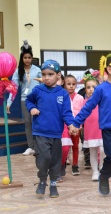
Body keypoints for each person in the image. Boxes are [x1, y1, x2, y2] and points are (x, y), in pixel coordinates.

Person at [70, 52, 111, 197]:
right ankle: (104, 176)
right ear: (109, 69)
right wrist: (76, 122)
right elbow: (88, 107)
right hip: (109, 131)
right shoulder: (101, 89)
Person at [25, 59, 75, 198]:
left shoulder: (63, 94)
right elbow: (29, 101)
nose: (46, 77)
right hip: (40, 131)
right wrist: (33, 108)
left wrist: (71, 124)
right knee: (44, 157)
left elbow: (66, 112)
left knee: (54, 160)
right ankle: (42, 180)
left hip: (56, 134)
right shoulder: (38, 90)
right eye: (44, 74)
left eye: (50, 74)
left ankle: (53, 183)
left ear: (58, 75)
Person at [7, 40, 41, 156]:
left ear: (32, 58)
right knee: (27, 123)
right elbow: (14, 87)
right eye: (25, 57)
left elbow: (44, 85)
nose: (27, 60)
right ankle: (31, 146)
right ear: (22, 58)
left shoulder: (37, 70)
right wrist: (9, 102)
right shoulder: (18, 71)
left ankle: (38, 147)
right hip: (24, 100)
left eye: (29, 57)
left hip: (36, 100)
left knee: (35, 122)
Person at [82, 76, 105, 181]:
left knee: (103, 149)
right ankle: (95, 171)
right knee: (93, 152)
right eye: (88, 87)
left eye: (94, 87)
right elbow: (80, 115)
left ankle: (102, 168)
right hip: (90, 130)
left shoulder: (103, 101)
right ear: (85, 89)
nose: (91, 89)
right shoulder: (84, 102)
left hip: (102, 129)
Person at [61, 75, 84, 177]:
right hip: (64, 126)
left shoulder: (80, 98)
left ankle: (75, 164)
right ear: (64, 84)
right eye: (68, 84)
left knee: (75, 146)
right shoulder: (61, 96)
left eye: (73, 84)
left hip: (76, 126)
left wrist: (80, 125)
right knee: (65, 145)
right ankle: (63, 162)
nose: (71, 86)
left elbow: (83, 112)